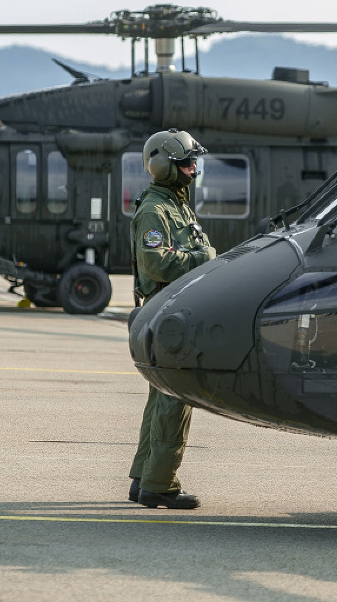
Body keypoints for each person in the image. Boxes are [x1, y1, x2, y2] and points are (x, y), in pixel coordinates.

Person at [127, 128, 216, 510]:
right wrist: (205, 259)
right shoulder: (155, 210)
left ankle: (142, 478)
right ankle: (159, 485)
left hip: (175, 308)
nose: (193, 169)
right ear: (166, 167)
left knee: (160, 396)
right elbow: (156, 261)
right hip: (167, 313)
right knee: (175, 398)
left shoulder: (176, 204)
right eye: (185, 163)